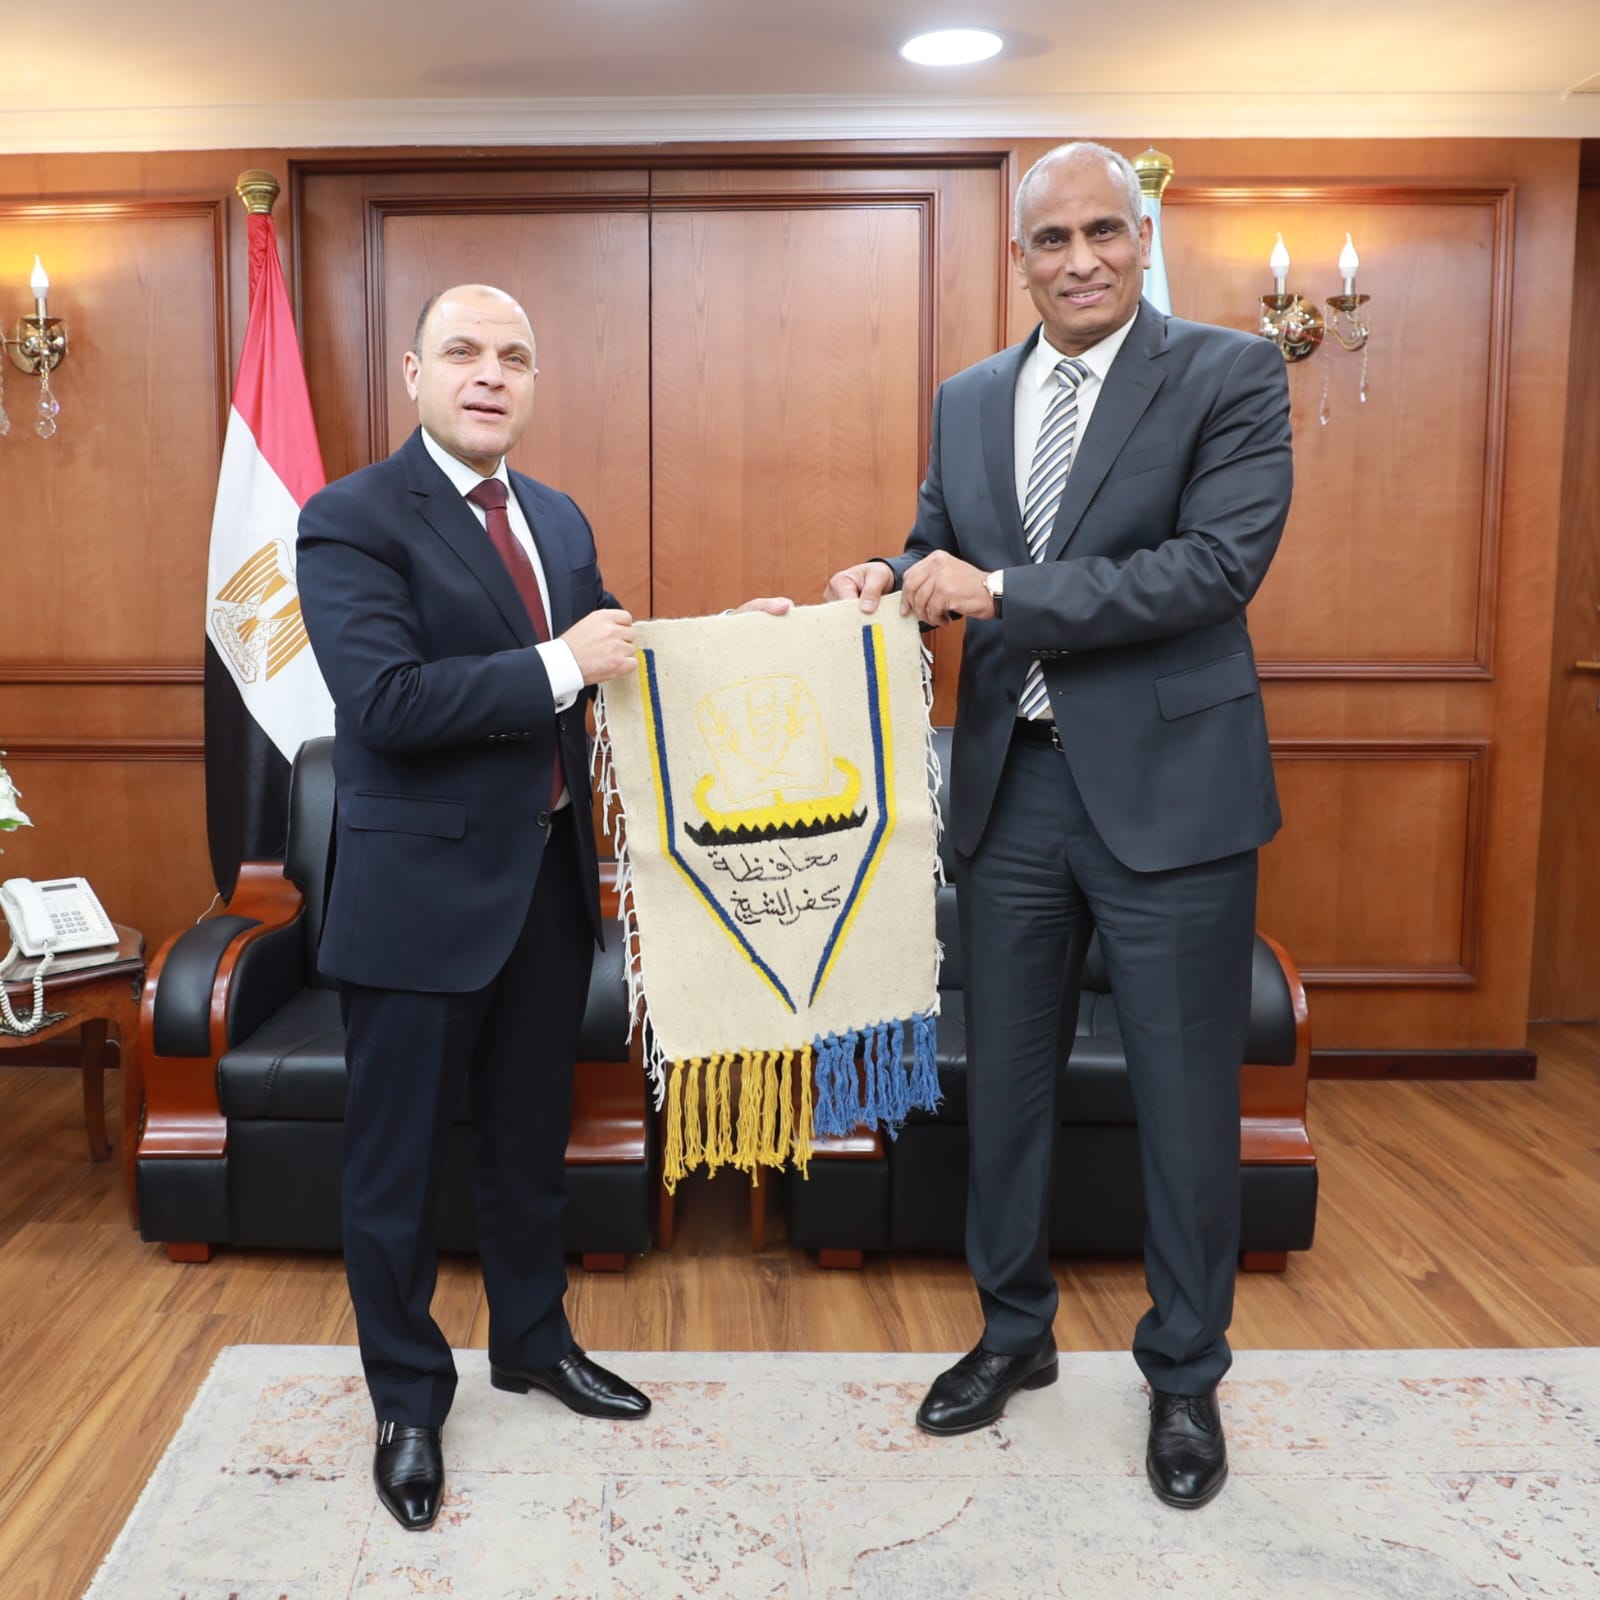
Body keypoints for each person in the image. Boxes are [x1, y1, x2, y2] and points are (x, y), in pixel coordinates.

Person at [825, 142, 1293, 1509]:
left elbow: (1212, 568)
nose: (1080, 259)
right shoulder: (970, 396)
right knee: (1007, 1086)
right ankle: (1012, 1333)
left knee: (1186, 1100)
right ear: (1018, 257)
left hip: (1173, 796)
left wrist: (1003, 595)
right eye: (1052, 239)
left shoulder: (1228, 373)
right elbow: (940, 542)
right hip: (1010, 787)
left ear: (1141, 236)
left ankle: (1185, 1375)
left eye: (1104, 231)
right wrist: (888, 573)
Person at [296, 284, 652, 1532]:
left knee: (526, 1145)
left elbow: (610, 668)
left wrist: (732, 644)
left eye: (513, 355)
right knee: (394, 1170)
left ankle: (533, 1342)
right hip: (414, 902)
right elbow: (385, 702)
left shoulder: (555, 515)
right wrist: (562, 662)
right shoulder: (349, 517)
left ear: (532, 381)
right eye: (462, 351)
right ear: (414, 374)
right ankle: (406, 1399)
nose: (489, 373)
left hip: (547, 891)